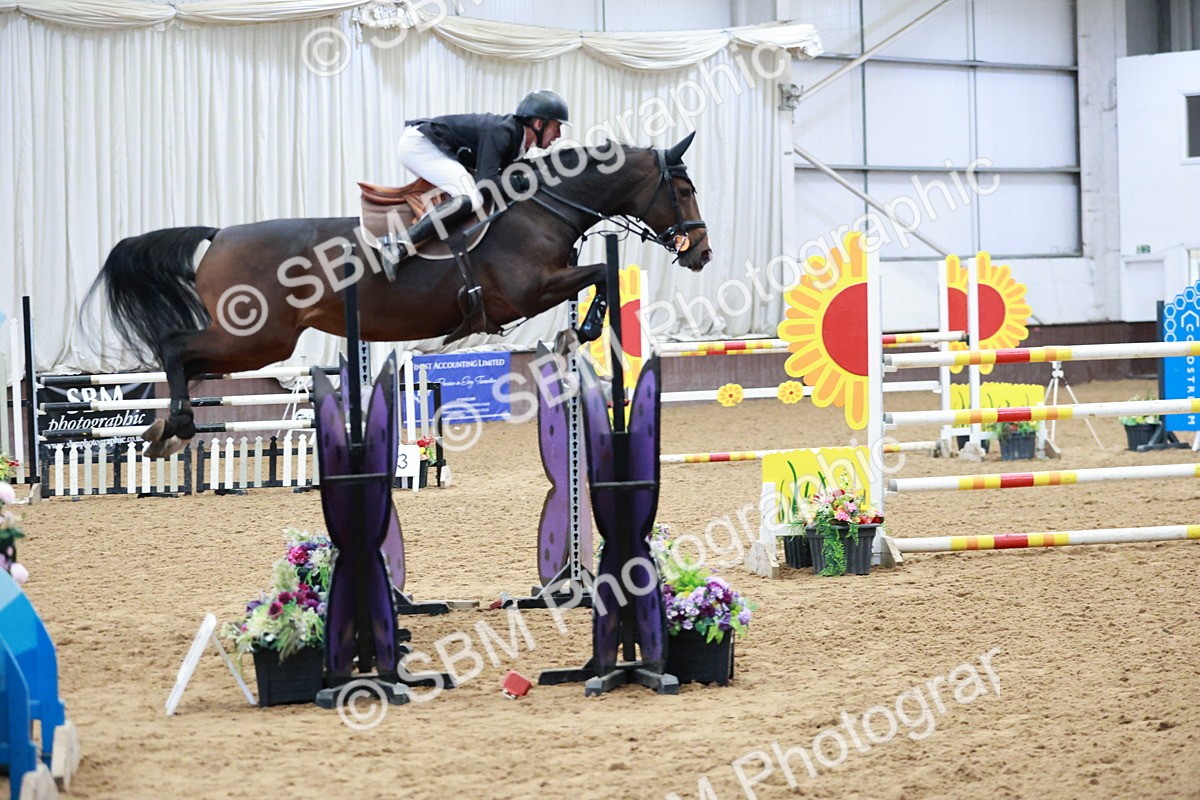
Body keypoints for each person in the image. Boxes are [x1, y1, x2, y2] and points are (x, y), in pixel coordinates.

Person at [397, 89, 570, 246]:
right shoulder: (502, 132)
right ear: (539, 124)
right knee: (472, 197)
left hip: (431, 145)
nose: (559, 135)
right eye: (557, 126)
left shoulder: (517, 141)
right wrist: (520, 182)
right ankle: (399, 244)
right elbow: (486, 183)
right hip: (419, 145)